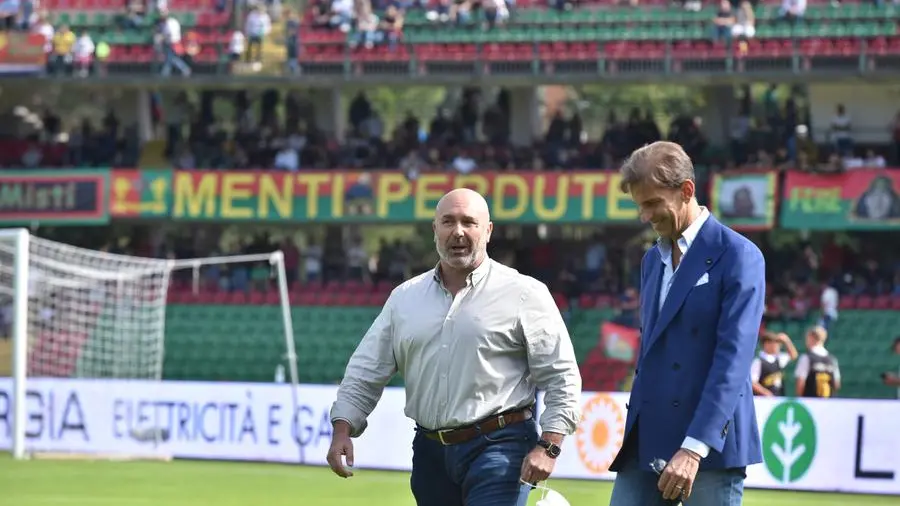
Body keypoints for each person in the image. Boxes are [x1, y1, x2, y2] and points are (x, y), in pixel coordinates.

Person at [326, 188, 582, 506]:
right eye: (448, 221)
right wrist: (342, 428)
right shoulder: (404, 298)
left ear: (487, 231)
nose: (458, 231)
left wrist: (550, 445)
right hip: (430, 453)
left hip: (502, 448)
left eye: (469, 222)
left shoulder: (525, 294)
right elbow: (366, 369)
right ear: (435, 229)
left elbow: (561, 375)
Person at [608, 141, 765, 506]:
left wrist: (695, 447)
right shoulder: (651, 260)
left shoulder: (739, 255)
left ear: (687, 190)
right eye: (639, 206)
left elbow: (733, 359)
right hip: (647, 437)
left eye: (652, 203)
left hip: (709, 446)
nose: (644, 216)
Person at [794, 326, 841, 398]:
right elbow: (836, 384)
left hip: (810, 401)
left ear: (811, 337)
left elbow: (800, 382)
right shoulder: (832, 359)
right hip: (829, 401)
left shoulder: (806, 357)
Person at [750, 331, 798, 397]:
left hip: (779, 398)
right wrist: (766, 393)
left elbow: (794, 355)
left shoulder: (778, 359)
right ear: (766, 344)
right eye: (775, 343)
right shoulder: (758, 362)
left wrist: (787, 341)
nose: (777, 346)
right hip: (764, 400)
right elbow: (753, 383)